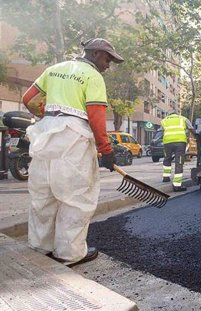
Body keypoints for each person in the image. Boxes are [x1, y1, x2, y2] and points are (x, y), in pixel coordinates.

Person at [21, 38, 124, 267]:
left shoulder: (54, 69)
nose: (108, 65)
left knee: (43, 196)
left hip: (45, 136)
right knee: (76, 197)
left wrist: (45, 116)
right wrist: (105, 150)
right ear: (96, 53)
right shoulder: (93, 76)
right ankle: (70, 254)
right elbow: (96, 115)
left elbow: (28, 99)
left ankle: (40, 247)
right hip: (73, 139)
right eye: (107, 59)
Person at [161, 111, 194, 192]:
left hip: (167, 143)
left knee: (167, 159)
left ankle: (166, 177)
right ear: (177, 114)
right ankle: (177, 185)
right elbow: (191, 128)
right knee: (179, 162)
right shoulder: (183, 119)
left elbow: (163, 130)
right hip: (180, 142)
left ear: (169, 115)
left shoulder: (164, 120)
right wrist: (197, 136)